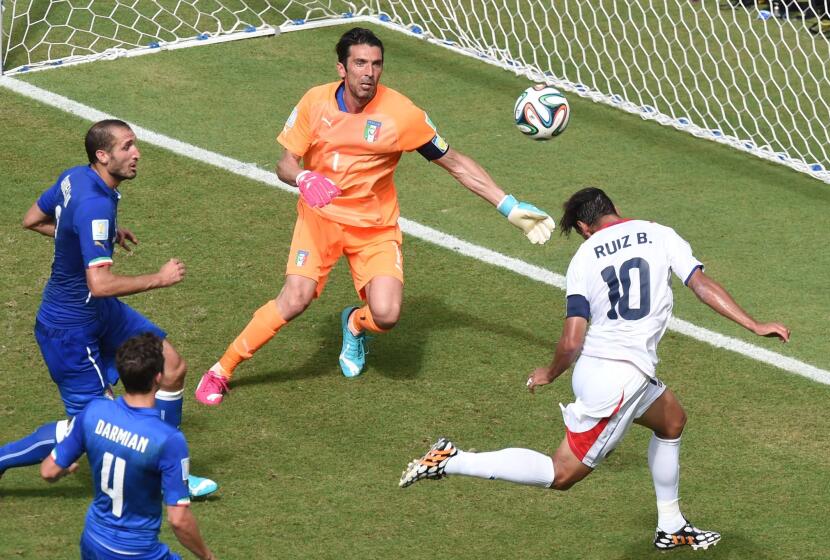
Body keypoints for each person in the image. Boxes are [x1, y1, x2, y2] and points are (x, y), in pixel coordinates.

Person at [399, 187, 791, 551]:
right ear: (612, 209)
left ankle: (671, 527)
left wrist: (550, 371)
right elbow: (701, 284)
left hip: (605, 369)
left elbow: (572, 339)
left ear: (585, 227)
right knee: (561, 474)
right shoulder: (658, 233)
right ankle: (450, 459)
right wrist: (754, 324)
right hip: (619, 379)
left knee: (671, 420)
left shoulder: (584, 258)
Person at [195, 27, 555, 404]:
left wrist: (508, 205)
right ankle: (221, 369)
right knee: (294, 299)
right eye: (360, 63)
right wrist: (303, 177)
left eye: (376, 64)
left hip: (374, 228)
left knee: (385, 315)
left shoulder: (401, 114)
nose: (369, 72)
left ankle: (354, 324)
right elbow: (285, 163)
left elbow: (454, 162)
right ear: (342, 68)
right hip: (320, 221)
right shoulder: (315, 103)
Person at [0, 119, 216, 498]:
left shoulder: (77, 178)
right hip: (69, 331)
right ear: (103, 156)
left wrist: (96, 236)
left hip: (100, 314)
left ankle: (163, 468)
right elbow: (99, 284)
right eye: (127, 147)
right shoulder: (96, 203)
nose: (137, 154)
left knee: (172, 366)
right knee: (97, 427)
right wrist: (159, 278)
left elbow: (32, 219)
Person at [41, 333, 216, 560]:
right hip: (137, 552)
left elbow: (48, 471)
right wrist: (208, 557)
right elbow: (179, 520)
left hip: (93, 541)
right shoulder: (168, 439)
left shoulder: (93, 412)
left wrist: (64, 470)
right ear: (159, 377)